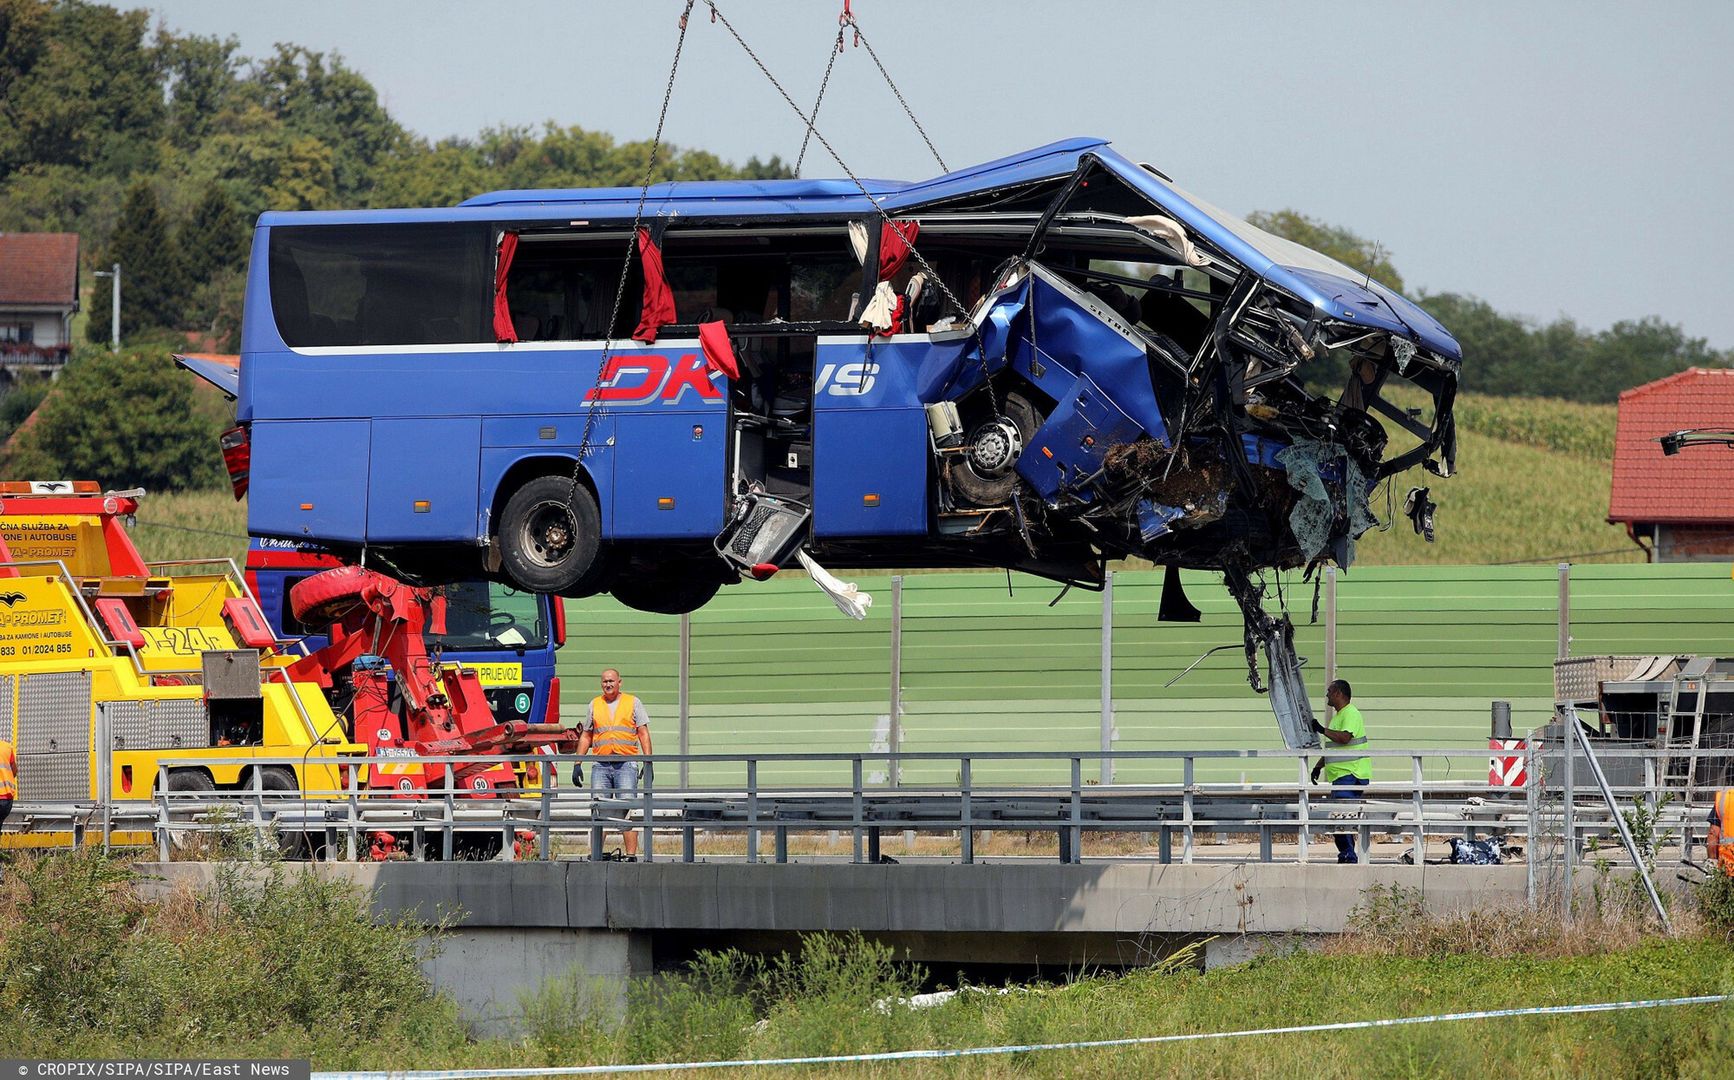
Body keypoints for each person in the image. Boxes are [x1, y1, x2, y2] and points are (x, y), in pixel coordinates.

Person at [576, 668, 651, 860]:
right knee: (599, 809)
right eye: (604, 682)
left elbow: (643, 733)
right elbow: (586, 735)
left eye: (611, 681)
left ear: (619, 682)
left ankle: (631, 855)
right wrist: (578, 763)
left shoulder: (633, 702)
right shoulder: (595, 704)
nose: (608, 684)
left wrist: (648, 762)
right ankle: (596, 855)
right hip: (601, 765)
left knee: (627, 809)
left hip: (626, 764)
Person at [1310, 679, 1370, 864]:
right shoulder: (1338, 716)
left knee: (1342, 815)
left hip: (1350, 774)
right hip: (1342, 776)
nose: (1327, 694)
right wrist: (1318, 766)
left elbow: (1344, 738)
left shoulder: (1350, 713)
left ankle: (1349, 855)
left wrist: (1320, 729)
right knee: (1341, 814)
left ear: (1338, 693)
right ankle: (1347, 854)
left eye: (1329, 691)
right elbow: (1334, 747)